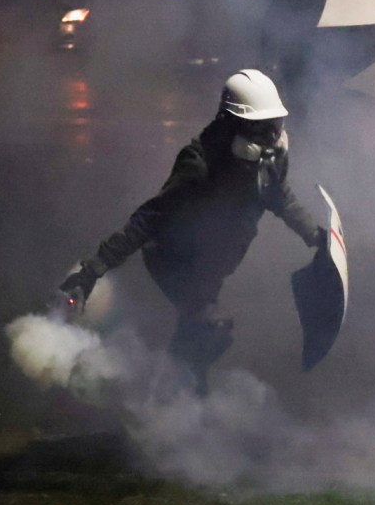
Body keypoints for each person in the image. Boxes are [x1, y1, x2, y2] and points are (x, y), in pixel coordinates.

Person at [59, 70, 326, 394]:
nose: (271, 139)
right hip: (175, 262)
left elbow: (279, 197)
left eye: (274, 127)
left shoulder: (266, 162)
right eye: (260, 129)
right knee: (208, 328)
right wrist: (92, 271)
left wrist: (314, 235)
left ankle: (177, 397)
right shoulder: (199, 167)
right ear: (231, 126)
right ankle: (169, 400)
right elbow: (148, 220)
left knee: (196, 338)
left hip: (215, 262)